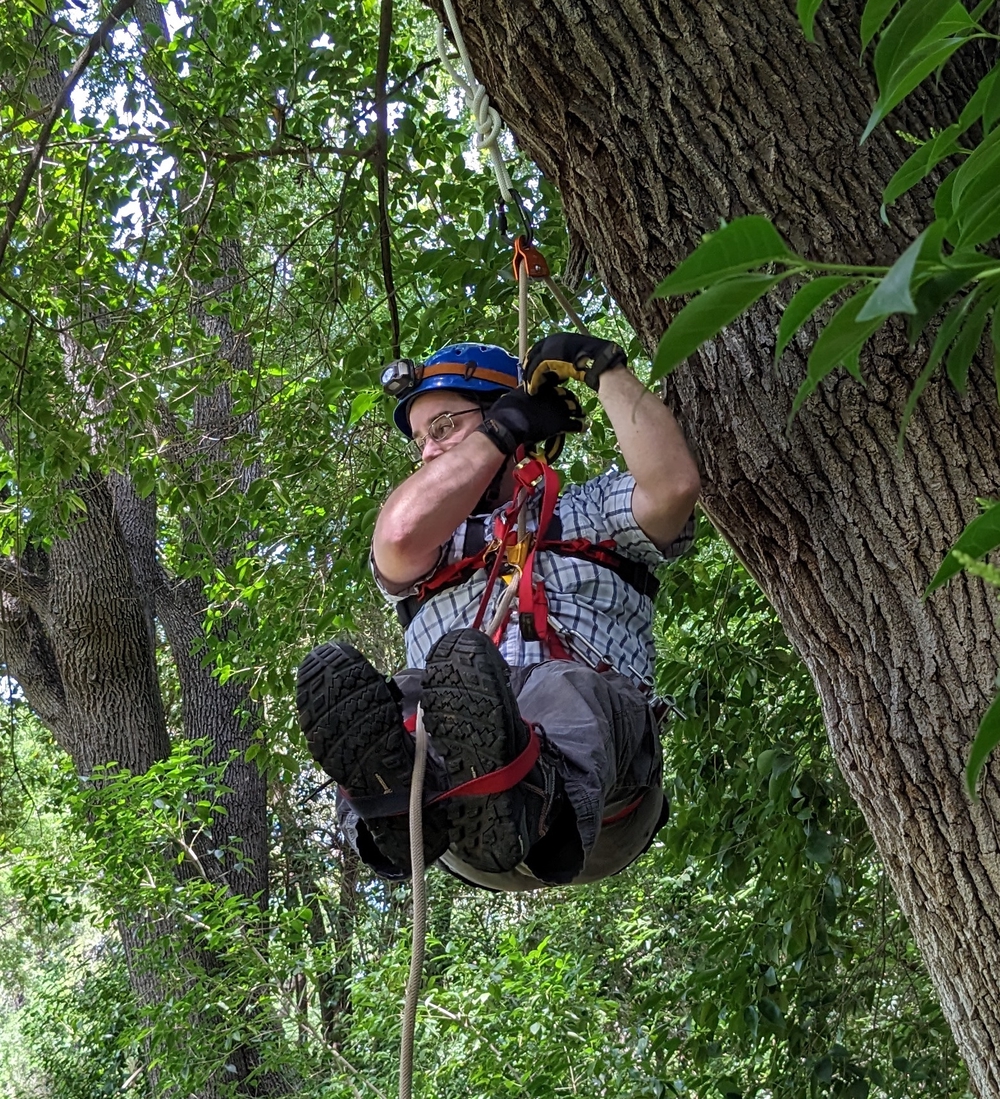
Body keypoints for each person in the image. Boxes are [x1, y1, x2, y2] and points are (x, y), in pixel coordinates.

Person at [297, 334, 701, 890]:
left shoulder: (591, 510)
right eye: (420, 441)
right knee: (412, 694)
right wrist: (497, 433)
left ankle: (528, 796)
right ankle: (395, 806)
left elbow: (674, 485)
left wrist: (603, 369)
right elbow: (399, 532)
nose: (430, 452)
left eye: (444, 429)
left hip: (601, 809)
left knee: (566, 688)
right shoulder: (430, 545)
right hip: (458, 825)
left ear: (521, 418)